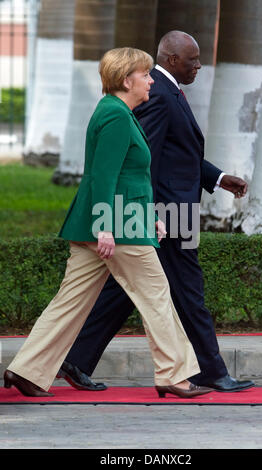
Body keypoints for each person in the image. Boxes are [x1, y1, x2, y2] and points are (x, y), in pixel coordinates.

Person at [3, 47, 213, 399]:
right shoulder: (116, 116)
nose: (150, 81)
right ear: (127, 79)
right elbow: (104, 176)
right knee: (157, 296)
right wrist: (106, 227)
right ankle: (174, 375)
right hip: (118, 226)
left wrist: (151, 218)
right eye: (145, 75)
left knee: (70, 301)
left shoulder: (116, 111)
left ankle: (26, 369)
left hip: (112, 221)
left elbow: (130, 177)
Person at [56, 31, 254, 393]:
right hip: (167, 214)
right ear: (172, 59)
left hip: (167, 212)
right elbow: (141, 160)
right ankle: (211, 370)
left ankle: (77, 359)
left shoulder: (168, 90)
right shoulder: (159, 95)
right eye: (192, 59)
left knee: (125, 289)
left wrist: (220, 177)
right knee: (188, 290)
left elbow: (180, 152)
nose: (198, 65)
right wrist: (151, 214)